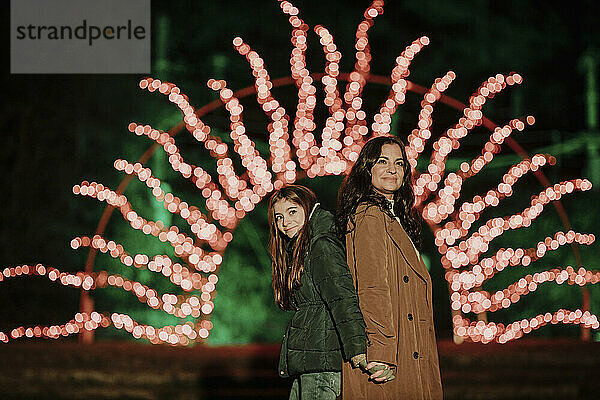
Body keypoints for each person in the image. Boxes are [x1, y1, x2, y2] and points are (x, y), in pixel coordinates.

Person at [336, 136, 443, 399]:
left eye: (399, 163)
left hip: (408, 344)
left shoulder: (394, 216)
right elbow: (372, 286)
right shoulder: (370, 214)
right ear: (367, 168)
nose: (392, 169)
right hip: (390, 353)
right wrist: (382, 352)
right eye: (382, 161)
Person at [268, 184, 376, 399]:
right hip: (312, 360)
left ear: (309, 209)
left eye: (292, 212)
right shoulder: (303, 248)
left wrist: (357, 349)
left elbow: (342, 298)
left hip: (322, 365)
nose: (285, 223)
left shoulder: (321, 246)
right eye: (279, 217)